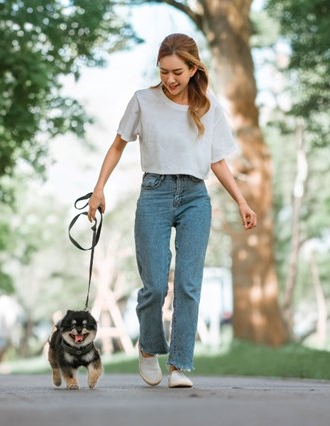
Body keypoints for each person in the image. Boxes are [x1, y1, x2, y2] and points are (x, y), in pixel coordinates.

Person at [87, 33, 257, 388]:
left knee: (188, 284)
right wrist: (98, 189)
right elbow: (118, 146)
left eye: (177, 71)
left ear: (194, 69)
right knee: (153, 284)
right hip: (154, 194)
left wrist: (241, 201)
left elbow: (219, 162)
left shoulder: (209, 108)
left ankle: (179, 365)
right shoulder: (143, 101)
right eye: (163, 71)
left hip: (196, 196)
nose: (170, 79)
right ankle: (149, 348)